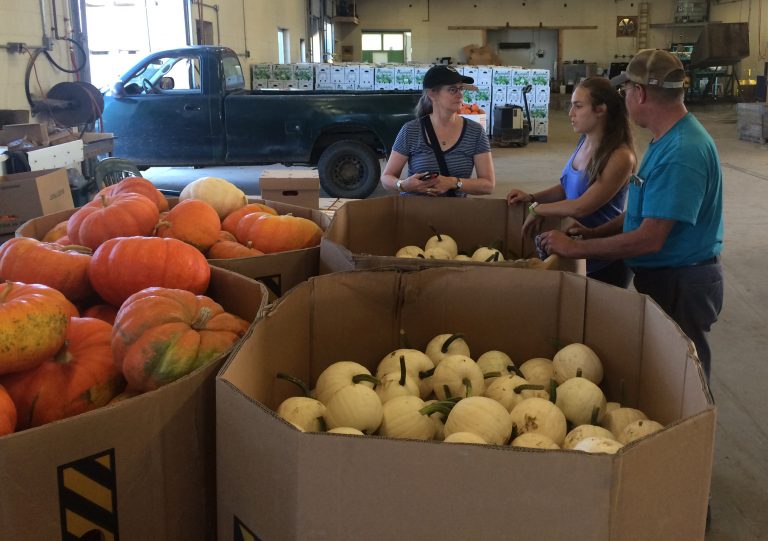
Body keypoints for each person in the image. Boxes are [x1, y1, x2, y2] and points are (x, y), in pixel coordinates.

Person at [538, 49, 724, 382]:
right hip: (668, 278)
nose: (623, 99)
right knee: (666, 372)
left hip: (682, 282)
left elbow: (650, 238)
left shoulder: (682, 152)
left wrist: (577, 248)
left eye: (625, 91)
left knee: (684, 379)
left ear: (640, 93)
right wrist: (595, 233)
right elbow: (642, 213)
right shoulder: (665, 140)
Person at [506, 77, 637, 287]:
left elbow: (581, 206)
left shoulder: (620, 157)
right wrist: (531, 198)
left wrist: (538, 209)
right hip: (576, 251)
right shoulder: (585, 140)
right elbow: (565, 187)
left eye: (578, 106)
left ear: (601, 109)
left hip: (604, 261)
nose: (570, 113)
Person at [380, 65, 495, 197]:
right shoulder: (411, 130)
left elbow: (488, 185)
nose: (460, 94)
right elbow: (386, 178)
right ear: (432, 94)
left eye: (461, 89)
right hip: (415, 208)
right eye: (452, 90)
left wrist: (454, 182)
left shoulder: (475, 132)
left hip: (454, 209)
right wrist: (402, 185)